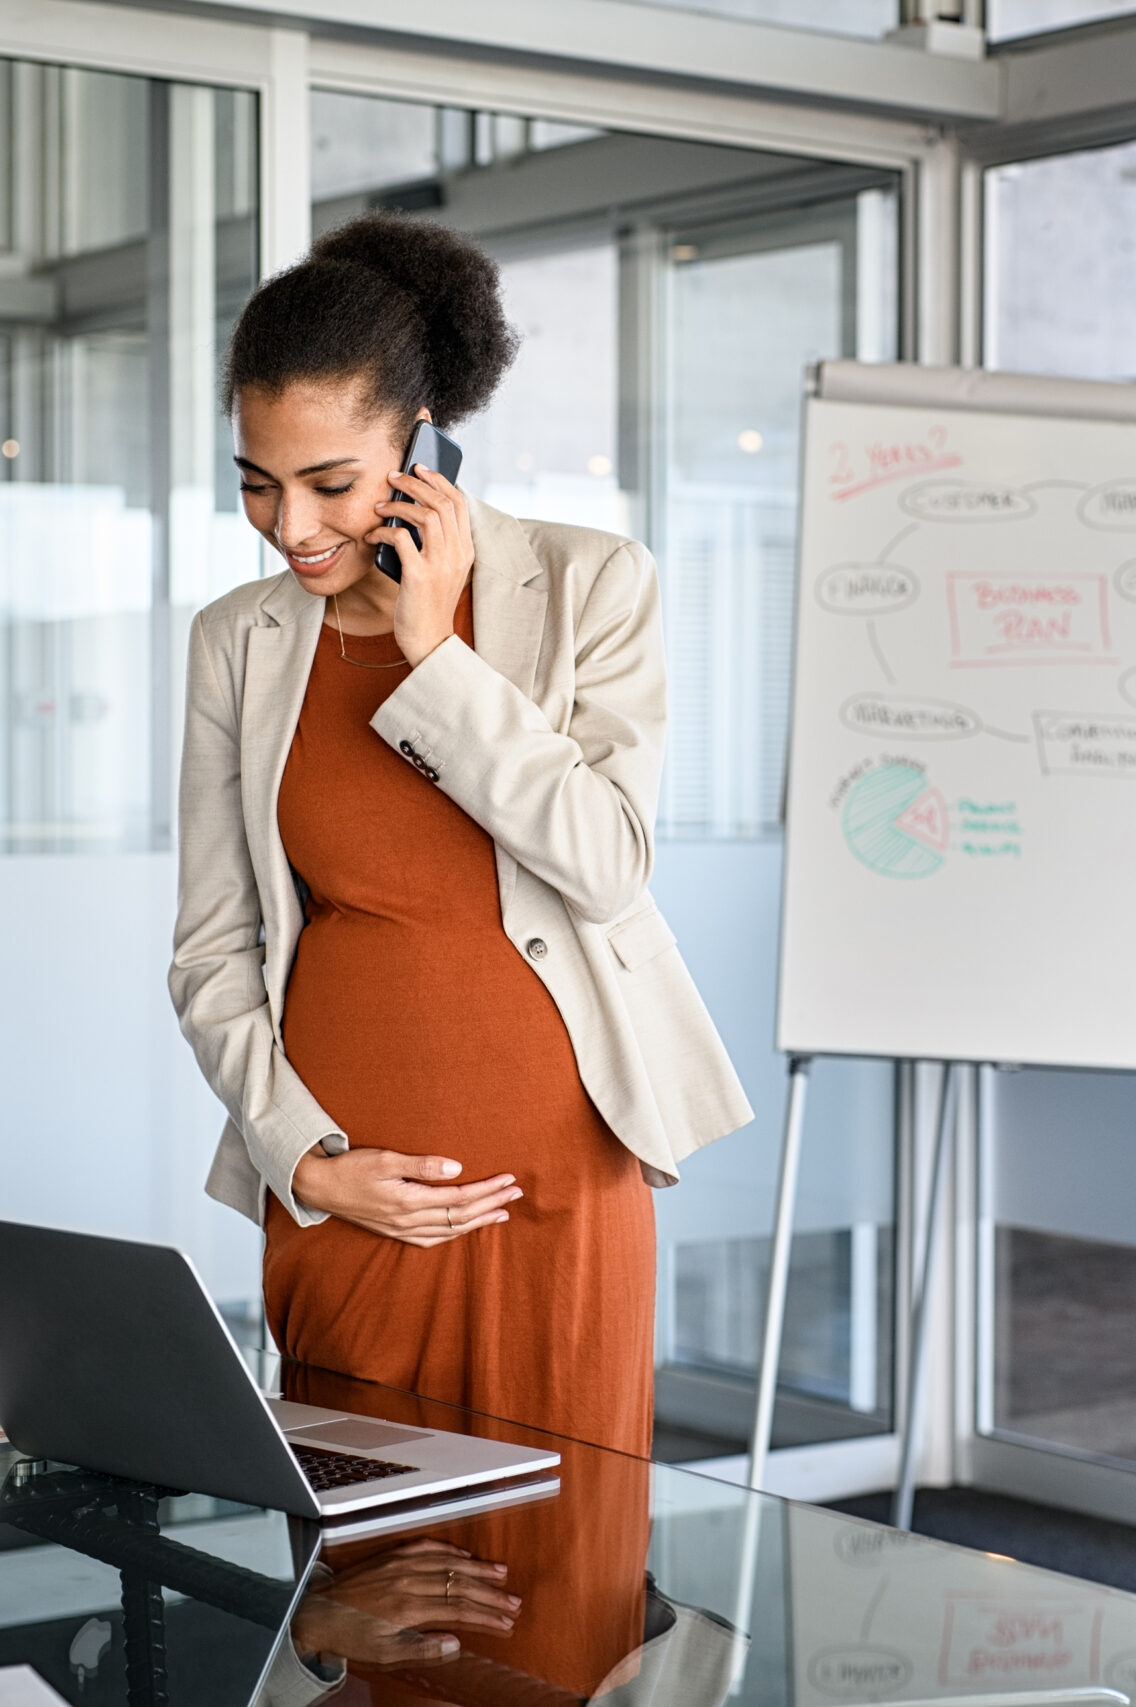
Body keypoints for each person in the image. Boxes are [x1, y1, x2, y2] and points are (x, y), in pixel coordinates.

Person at [169, 212, 751, 1460]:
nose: (289, 525)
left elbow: (604, 865)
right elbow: (213, 947)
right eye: (257, 482)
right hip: (345, 1188)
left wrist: (438, 654)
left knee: (560, 1566)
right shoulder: (240, 638)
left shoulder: (591, 583)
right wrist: (303, 1161)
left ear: (425, 443)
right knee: (358, 1580)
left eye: (331, 483)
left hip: (557, 1178)